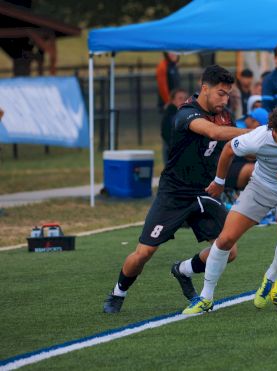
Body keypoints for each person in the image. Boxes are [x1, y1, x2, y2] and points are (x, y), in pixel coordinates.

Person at [103, 65, 248, 313]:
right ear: (205, 89)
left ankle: (183, 270)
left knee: (229, 251)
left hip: (204, 192)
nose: (225, 100)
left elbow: (231, 146)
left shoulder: (225, 116)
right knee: (144, 252)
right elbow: (214, 132)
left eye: (228, 95)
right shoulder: (185, 114)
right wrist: (257, 131)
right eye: (220, 94)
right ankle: (118, 293)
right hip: (175, 193)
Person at [181, 103, 277, 314]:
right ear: (275, 132)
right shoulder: (258, 138)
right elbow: (227, 150)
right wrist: (219, 181)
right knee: (225, 240)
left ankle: (271, 277)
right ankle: (206, 297)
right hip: (260, 188)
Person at [160, 88, 188, 163]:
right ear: (173, 101)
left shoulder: (188, 113)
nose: (183, 101)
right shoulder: (170, 115)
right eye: (180, 98)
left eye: (185, 98)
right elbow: (165, 132)